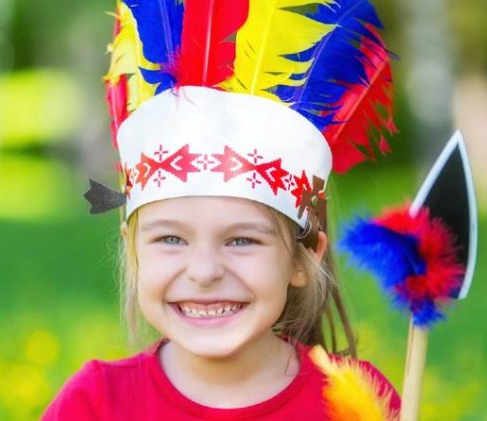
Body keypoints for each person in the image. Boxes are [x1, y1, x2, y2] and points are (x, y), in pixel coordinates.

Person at [46, 0, 400, 418]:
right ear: (133, 249)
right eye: (171, 238)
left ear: (303, 259)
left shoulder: (356, 400)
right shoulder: (95, 402)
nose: (204, 271)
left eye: (241, 240)